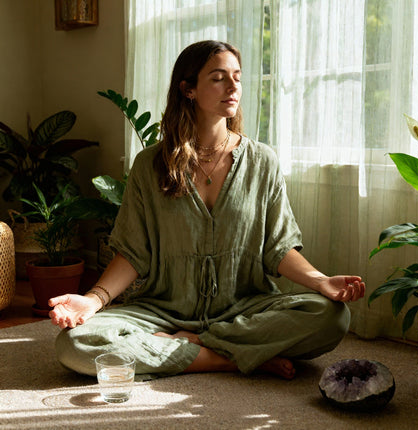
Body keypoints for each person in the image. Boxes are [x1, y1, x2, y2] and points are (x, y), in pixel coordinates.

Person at [49, 40, 365, 380]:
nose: (233, 87)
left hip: (244, 308)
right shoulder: (150, 165)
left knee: (332, 317)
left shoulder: (263, 162)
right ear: (188, 89)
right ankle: (227, 358)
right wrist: (94, 301)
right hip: (162, 309)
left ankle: (195, 344)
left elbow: (278, 248)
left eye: (237, 77)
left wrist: (321, 282)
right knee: (76, 345)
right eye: (218, 78)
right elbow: (133, 253)